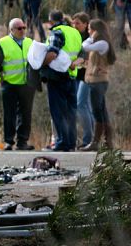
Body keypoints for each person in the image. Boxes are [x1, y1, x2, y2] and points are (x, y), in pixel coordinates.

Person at [42, 10, 81, 152]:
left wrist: (41, 63)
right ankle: (71, 143)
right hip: (72, 76)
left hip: (57, 76)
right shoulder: (75, 32)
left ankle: (62, 142)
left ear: (51, 21)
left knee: (58, 111)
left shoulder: (57, 32)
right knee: (71, 112)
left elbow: (52, 53)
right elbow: (82, 54)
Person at [0, 18, 35, 150]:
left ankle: (22, 142)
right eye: (19, 28)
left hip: (27, 84)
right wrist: (1, 79)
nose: (22, 30)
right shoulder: (2, 43)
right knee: (9, 114)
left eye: (24, 27)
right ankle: (9, 142)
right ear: (11, 30)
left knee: (26, 114)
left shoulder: (30, 42)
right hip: (9, 84)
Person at [79, 19, 117, 151]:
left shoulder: (102, 43)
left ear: (96, 30)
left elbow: (84, 46)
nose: (88, 31)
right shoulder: (100, 43)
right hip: (95, 81)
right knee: (101, 110)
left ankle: (96, 142)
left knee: (97, 111)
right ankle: (107, 142)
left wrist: (91, 37)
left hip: (98, 81)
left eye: (90, 29)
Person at [71, 13, 93, 149]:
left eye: (78, 23)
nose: (75, 25)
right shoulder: (74, 36)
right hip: (76, 76)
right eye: (73, 23)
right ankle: (90, 140)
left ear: (85, 24)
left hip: (87, 76)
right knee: (84, 106)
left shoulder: (89, 39)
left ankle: (88, 140)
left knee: (81, 105)